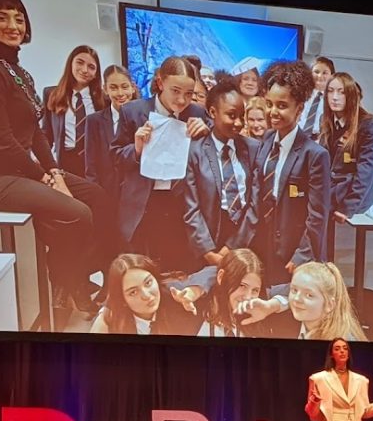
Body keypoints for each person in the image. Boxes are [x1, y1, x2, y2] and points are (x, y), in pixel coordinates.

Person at [0, 0, 108, 312]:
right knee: (78, 213)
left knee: (96, 196)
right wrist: (44, 178)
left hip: (16, 167)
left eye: (18, 18)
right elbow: (2, 141)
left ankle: (67, 272)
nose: (12, 24)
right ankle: (71, 283)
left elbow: (37, 134)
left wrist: (54, 171)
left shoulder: (23, 75)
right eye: (2, 17)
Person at [110, 56, 210, 271]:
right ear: (160, 81)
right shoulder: (133, 111)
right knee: (140, 268)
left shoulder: (197, 114)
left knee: (178, 269)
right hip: (143, 204)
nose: (182, 100)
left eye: (189, 94)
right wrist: (136, 148)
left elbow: (212, 158)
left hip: (180, 204)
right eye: (176, 91)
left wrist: (206, 134)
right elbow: (115, 156)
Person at [250, 60, 330, 286]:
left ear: (299, 108)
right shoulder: (265, 141)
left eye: (282, 105)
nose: (273, 112)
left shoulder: (314, 154)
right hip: (262, 245)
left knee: (288, 313)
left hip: (293, 251)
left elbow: (317, 215)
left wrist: (302, 255)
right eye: (269, 104)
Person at [183, 81, 259, 267]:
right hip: (207, 238)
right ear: (212, 112)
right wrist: (210, 254)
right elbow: (190, 208)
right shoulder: (195, 151)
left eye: (242, 116)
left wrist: (232, 247)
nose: (239, 123)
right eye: (231, 116)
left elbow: (255, 204)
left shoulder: (253, 149)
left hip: (245, 236)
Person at [319, 71, 373, 223]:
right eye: (330, 91)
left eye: (341, 92)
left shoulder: (368, 126)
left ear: (351, 96)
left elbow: (365, 171)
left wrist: (348, 207)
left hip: (348, 198)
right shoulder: (326, 120)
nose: (334, 97)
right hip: (328, 192)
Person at [89, 253, 202, 336]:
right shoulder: (112, 320)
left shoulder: (174, 296)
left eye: (148, 283)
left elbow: (212, 271)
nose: (146, 295)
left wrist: (195, 291)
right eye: (133, 292)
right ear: (123, 300)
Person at [256, 260, 367, 340]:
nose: (297, 299)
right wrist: (273, 305)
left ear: (329, 305)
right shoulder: (296, 316)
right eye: (294, 290)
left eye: (309, 295)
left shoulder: (342, 343)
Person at [42, 45, 105, 178]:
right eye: (80, 63)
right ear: (70, 64)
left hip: (95, 164)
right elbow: (47, 134)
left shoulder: (103, 100)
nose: (84, 70)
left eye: (91, 67)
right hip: (65, 162)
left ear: (96, 74)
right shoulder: (51, 94)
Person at [85, 64, 138, 196]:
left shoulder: (145, 117)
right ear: (105, 89)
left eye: (124, 87)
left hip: (136, 195)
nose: (120, 93)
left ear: (132, 87)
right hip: (105, 193)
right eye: (113, 88)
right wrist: (96, 194)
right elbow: (90, 166)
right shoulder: (94, 121)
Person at [299, 56, 335, 138]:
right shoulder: (301, 93)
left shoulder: (333, 99)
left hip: (319, 139)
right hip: (297, 136)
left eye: (325, 73)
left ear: (331, 76)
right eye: (316, 72)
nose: (320, 76)